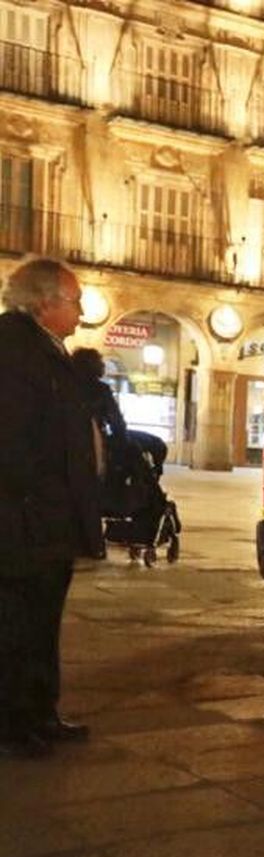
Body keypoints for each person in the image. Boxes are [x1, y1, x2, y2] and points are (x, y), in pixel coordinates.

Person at [0, 258, 101, 756]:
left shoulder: (42, 349)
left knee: (41, 623)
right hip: (24, 522)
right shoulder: (15, 351)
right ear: (44, 303)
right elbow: (13, 440)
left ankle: (40, 712)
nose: (81, 312)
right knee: (17, 626)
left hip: (44, 519)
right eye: (75, 301)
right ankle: (14, 725)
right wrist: (35, 499)